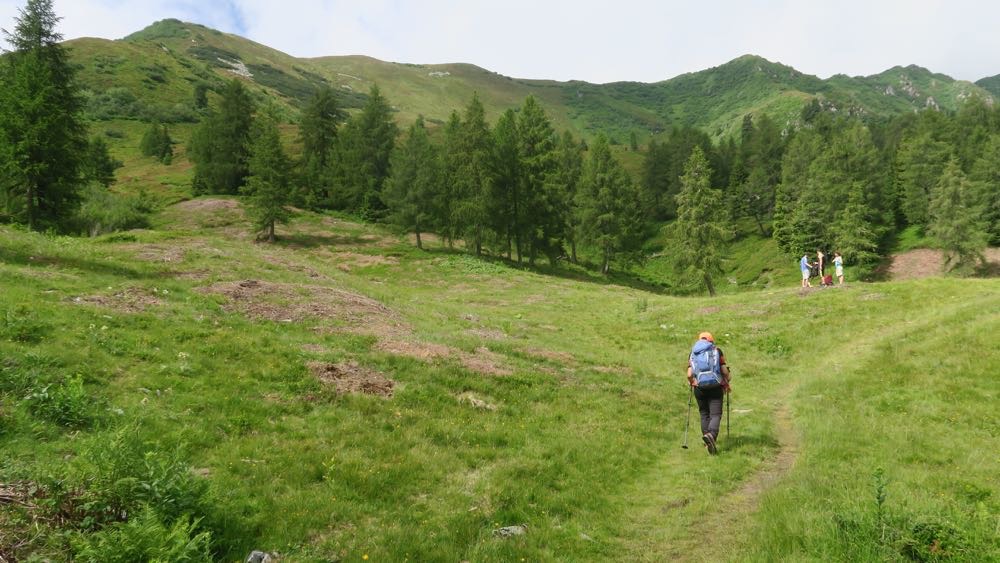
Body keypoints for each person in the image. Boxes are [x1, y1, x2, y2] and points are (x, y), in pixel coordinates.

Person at [687, 332, 731, 455]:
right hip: (715, 386)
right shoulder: (717, 350)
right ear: (711, 340)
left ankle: (708, 442)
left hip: (699, 387)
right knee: (716, 414)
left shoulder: (693, 352)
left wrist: (692, 382)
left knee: (704, 413)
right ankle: (711, 435)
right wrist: (727, 379)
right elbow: (724, 371)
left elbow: (689, 374)